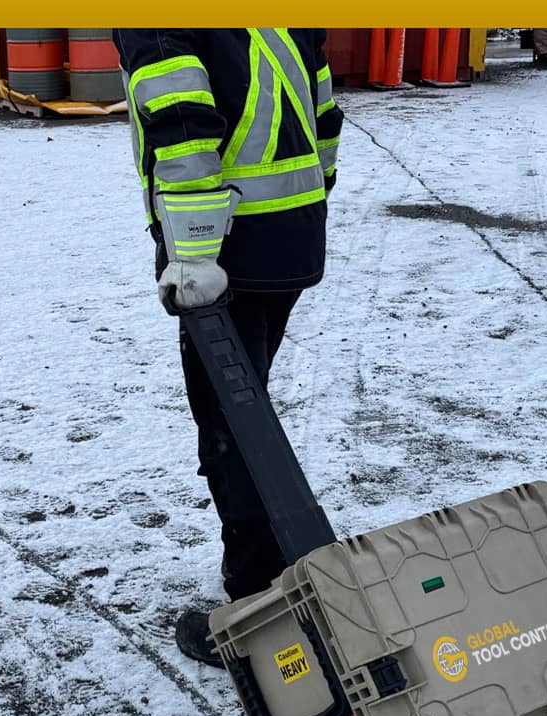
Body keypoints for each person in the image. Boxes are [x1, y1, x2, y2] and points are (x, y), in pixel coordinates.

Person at [112, 29, 343, 666]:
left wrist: (193, 254)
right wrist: (308, 204)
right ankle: (274, 576)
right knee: (247, 411)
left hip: (224, 253)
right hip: (292, 230)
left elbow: (182, 123)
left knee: (233, 428)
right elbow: (323, 110)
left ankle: (261, 607)